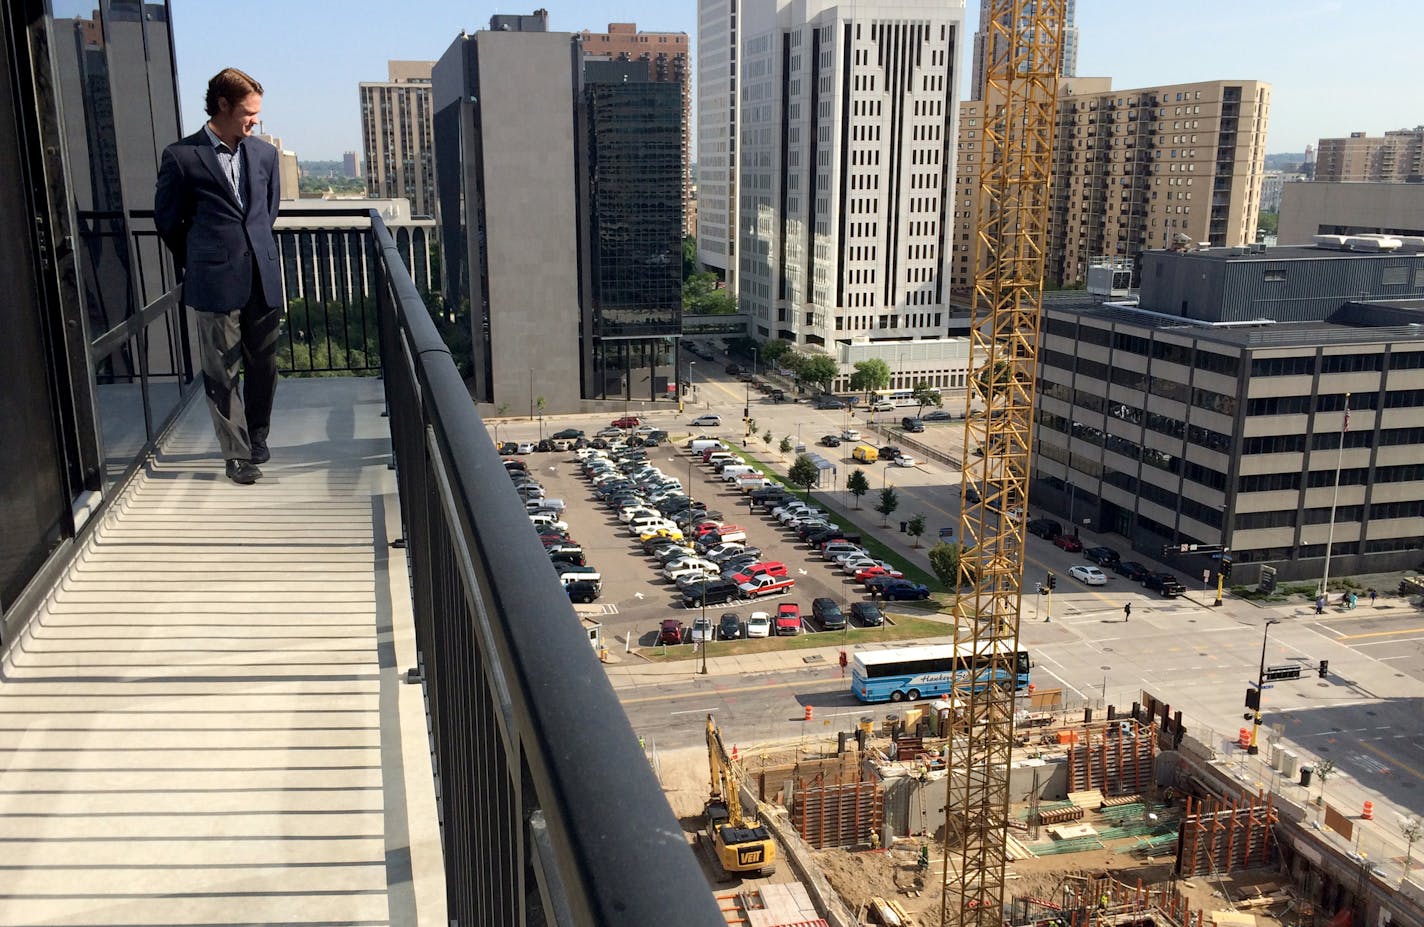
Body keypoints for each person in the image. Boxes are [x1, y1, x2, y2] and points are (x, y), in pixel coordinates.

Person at [154, 68, 283, 485]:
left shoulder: (264, 155)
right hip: (213, 279)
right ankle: (237, 454)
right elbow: (168, 221)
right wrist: (201, 258)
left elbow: (267, 210)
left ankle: (258, 436)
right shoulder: (182, 156)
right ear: (223, 106)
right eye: (248, 112)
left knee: (263, 364)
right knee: (221, 371)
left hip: (261, 275)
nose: (255, 121)